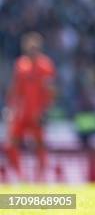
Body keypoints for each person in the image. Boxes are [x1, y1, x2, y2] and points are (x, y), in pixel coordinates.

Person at [5, 32, 56, 182]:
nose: (32, 50)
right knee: (12, 143)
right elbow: (15, 89)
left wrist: (46, 109)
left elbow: (50, 90)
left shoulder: (45, 66)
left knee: (40, 146)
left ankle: (39, 179)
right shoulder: (21, 65)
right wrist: (11, 108)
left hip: (37, 113)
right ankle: (21, 177)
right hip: (21, 113)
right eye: (29, 47)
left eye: (35, 47)